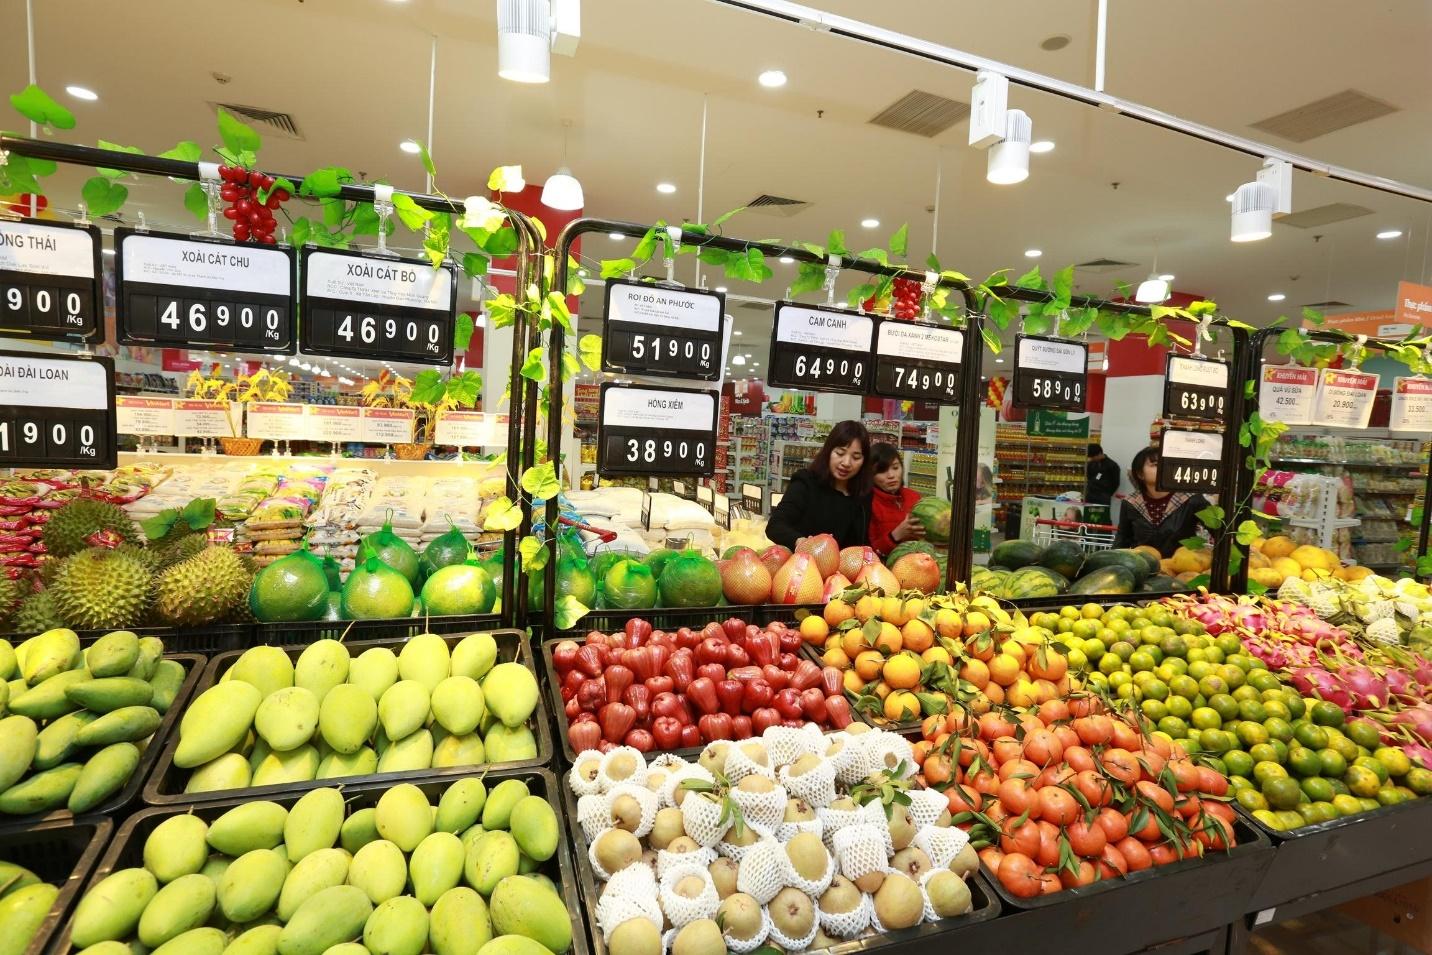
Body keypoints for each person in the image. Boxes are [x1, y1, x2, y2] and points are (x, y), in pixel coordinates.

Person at [767, 420, 873, 549]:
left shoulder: (863, 494)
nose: (846, 462)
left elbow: (861, 541)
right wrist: (800, 542)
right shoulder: (806, 482)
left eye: (856, 457)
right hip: (803, 565)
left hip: (843, 568)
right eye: (840, 453)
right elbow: (775, 525)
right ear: (828, 451)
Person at [1114, 446, 1210, 557]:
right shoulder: (1131, 502)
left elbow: (1219, 531)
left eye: (1167, 464)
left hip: (1181, 569)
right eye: (1155, 465)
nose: (1163, 468)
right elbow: (1122, 539)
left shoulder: (1192, 499)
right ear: (1140, 474)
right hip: (1144, 568)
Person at [867, 442, 924, 556]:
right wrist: (896, 535)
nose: (891, 475)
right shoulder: (867, 504)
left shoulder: (914, 497)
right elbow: (869, 553)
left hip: (919, 564)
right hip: (885, 570)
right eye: (882, 471)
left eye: (895, 467)